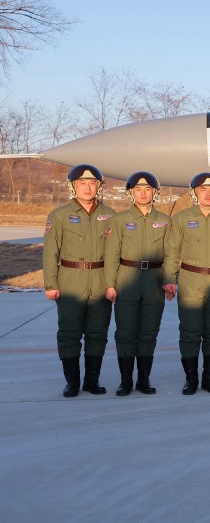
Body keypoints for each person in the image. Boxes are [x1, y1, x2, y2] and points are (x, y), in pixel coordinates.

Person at [43, 164, 117, 397]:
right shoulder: (59, 216)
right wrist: (51, 284)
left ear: (99, 186)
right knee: (69, 333)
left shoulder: (111, 216)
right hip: (70, 279)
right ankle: (72, 382)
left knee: (97, 332)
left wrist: (112, 283)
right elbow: (50, 253)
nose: (87, 187)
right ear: (73, 187)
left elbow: (116, 253)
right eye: (82, 184)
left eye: (92, 183)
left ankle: (91, 381)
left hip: (100, 278)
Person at [163, 172, 210, 395]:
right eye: (203, 190)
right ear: (194, 194)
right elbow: (172, 252)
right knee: (190, 331)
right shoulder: (182, 219)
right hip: (190, 280)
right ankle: (191, 379)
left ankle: (209, 379)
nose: (208, 194)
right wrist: (169, 279)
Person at [104, 171, 170, 396]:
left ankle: (144, 380)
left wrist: (170, 280)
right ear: (131, 194)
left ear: (155, 193)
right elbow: (111, 255)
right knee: (125, 332)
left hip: (154, 281)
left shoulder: (164, 221)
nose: (143, 193)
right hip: (127, 279)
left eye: (148, 189)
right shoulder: (119, 220)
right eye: (138, 190)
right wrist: (110, 285)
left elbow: (171, 255)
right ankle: (125, 381)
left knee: (149, 332)